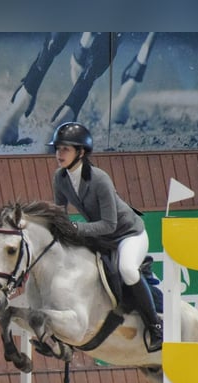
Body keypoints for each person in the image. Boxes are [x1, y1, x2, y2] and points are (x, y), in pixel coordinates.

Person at [48, 122, 162, 352]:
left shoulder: (100, 179)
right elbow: (60, 214)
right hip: (100, 234)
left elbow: (109, 224)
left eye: (65, 149)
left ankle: (155, 325)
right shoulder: (60, 178)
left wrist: (76, 229)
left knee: (128, 269)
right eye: (58, 149)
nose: (59, 154)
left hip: (128, 234)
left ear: (81, 152)